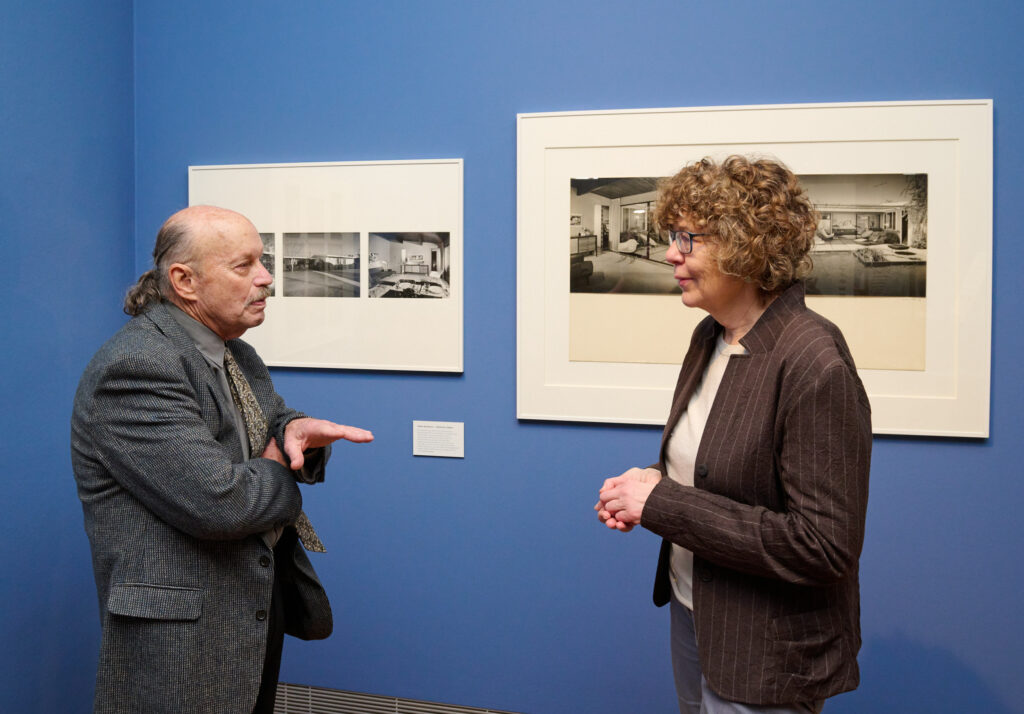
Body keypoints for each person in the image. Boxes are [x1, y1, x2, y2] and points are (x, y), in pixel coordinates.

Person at [71, 205, 374, 713]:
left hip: (249, 605)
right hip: (182, 633)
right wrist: (278, 461)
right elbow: (222, 502)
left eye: (263, 261)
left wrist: (294, 429)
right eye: (244, 265)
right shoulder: (137, 366)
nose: (267, 277)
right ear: (185, 280)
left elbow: (269, 419)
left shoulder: (236, 352)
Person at [596, 156, 871, 713]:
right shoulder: (710, 335)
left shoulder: (814, 361)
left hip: (764, 648)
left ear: (747, 247)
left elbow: (822, 547)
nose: (671, 253)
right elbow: (716, 468)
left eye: (687, 238)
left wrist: (663, 504)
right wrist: (647, 484)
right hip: (692, 610)